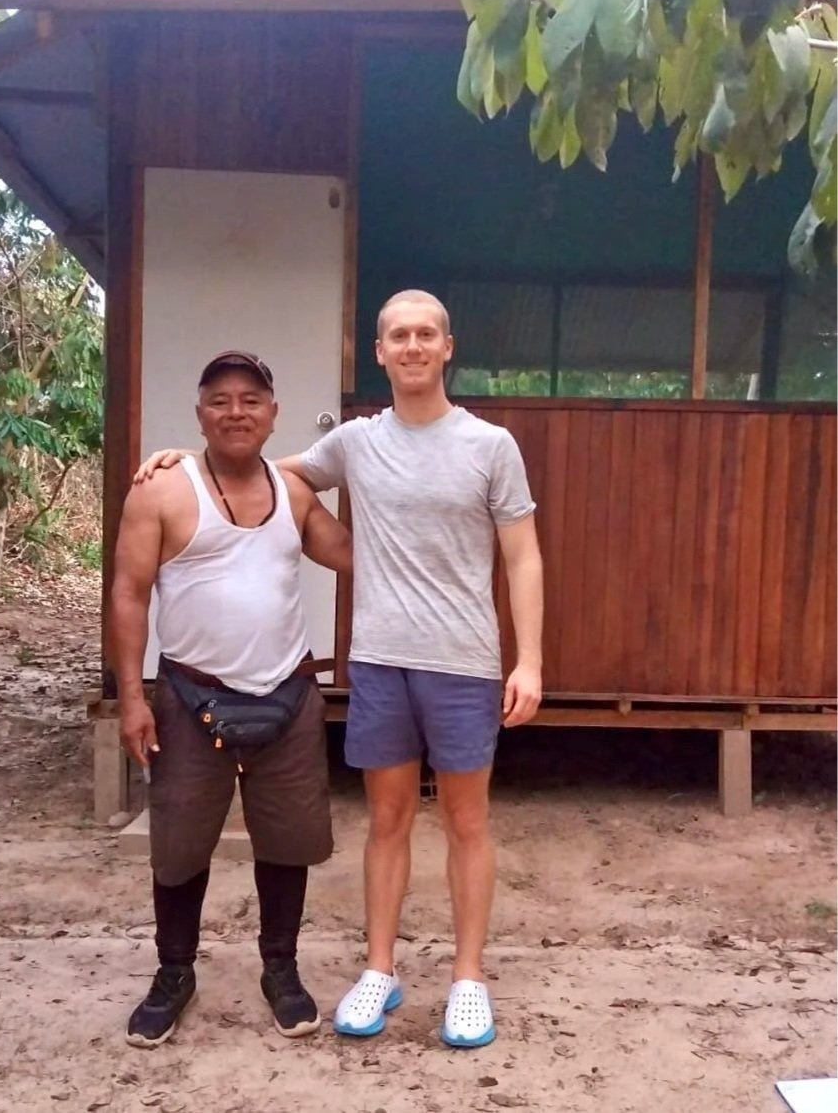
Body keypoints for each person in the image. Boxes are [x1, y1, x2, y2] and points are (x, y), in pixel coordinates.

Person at [135, 291, 544, 1048]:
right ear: (380, 352)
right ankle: (380, 968)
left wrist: (530, 660)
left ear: (446, 346)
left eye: (425, 334)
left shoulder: (490, 446)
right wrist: (182, 463)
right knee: (385, 821)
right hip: (381, 660)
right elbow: (255, 464)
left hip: (463, 660)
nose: (413, 345)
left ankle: (467, 977)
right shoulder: (353, 443)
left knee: (466, 821)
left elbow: (521, 553)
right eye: (398, 335)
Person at [111, 350, 351, 1049]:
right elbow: (128, 594)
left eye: (252, 399)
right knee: (179, 843)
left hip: (289, 693)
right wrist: (133, 696)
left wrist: (414, 504)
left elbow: (352, 554)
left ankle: (280, 968)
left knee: (289, 839)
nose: (236, 410)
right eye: (220, 399)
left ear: (273, 414)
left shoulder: (295, 492)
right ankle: (173, 972)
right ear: (199, 414)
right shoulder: (160, 490)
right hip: (189, 695)